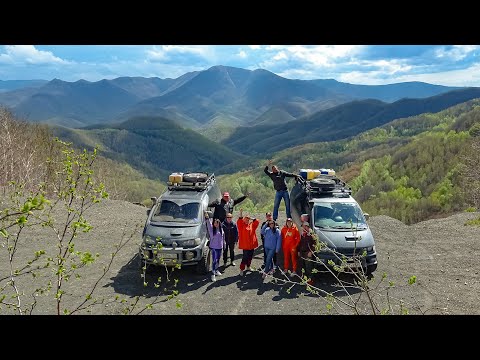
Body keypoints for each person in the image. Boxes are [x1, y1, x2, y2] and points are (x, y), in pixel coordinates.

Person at [236, 209, 259, 276]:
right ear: (243, 220)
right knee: (245, 257)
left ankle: (248, 267)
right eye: (246, 219)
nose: (247, 220)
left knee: (250, 257)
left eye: (248, 219)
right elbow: (239, 221)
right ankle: (241, 269)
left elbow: (257, 221)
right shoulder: (241, 226)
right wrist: (241, 213)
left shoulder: (252, 225)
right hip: (245, 245)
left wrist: (252, 218)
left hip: (251, 245)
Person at [205, 212, 226, 282]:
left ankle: (216, 270)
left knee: (218, 259)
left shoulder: (221, 230)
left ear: (219, 223)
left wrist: (224, 244)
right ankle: (213, 274)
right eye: (214, 223)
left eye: (217, 223)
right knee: (214, 260)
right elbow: (208, 223)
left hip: (220, 247)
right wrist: (207, 216)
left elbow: (223, 238)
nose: (215, 224)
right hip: (213, 247)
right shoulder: (211, 229)